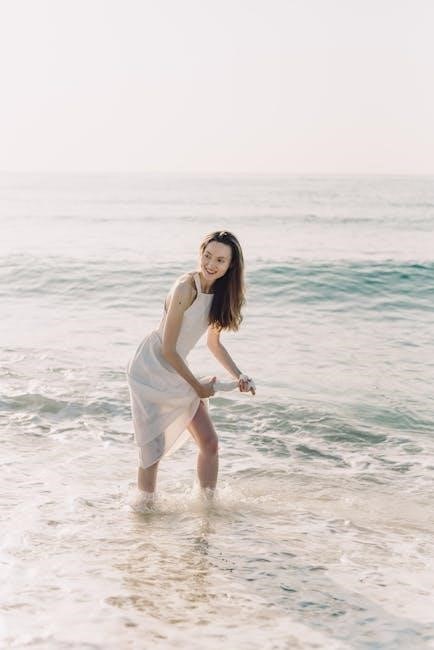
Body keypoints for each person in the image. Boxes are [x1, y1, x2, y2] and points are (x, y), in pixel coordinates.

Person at [126, 230, 255, 506]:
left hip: (175, 368)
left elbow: (214, 344)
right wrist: (197, 387)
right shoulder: (185, 288)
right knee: (153, 448)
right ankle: (145, 512)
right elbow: (167, 349)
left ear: (231, 265)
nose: (211, 264)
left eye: (220, 260)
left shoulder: (220, 294)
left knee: (210, 442)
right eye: (207, 256)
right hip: (149, 368)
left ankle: (207, 507)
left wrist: (239, 375)